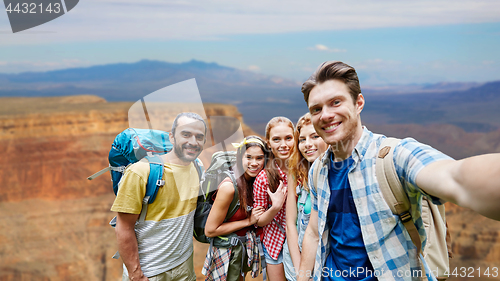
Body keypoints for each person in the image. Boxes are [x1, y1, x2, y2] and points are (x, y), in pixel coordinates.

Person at [297, 61, 500, 281]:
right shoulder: (319, 169)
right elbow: (314, 233)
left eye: (335, 102)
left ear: (359, 103)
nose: (325, 115)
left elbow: (456, 176)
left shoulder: (394, 157)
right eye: (316, 109)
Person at [111, 112, 207, 281]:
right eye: (186, 134)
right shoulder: (141, 172)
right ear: (172, 137)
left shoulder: (197, 168)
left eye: (199, 137)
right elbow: (124, 227)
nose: (193, 142)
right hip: (150, 272)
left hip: (184, 269)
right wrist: (136, 274)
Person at [202, 136, 268, 281]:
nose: (254, 163)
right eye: (248, 157)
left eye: (259, 158)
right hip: (225, 254)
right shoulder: (229, 187)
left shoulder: (255, 182)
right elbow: (210, 230)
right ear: (240, 157)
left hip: (239, 252)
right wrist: (249, 221)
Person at [283, 113, 328, 281]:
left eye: (315, 136)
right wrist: (300, 270)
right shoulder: (296, 174)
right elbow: (290, 223)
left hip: (328, 264)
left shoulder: (339, 175)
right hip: (298, 259)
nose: (307, 144)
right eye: (302, 139)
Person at [253, 116, 294, 281]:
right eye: (276, 139)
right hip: (275, 244)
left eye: (288, 138)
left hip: (300, 243)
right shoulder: (264, 178)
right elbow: (259, 221)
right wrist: (275, 207)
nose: (283, 144)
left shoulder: (305, 172)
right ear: (268, 143)